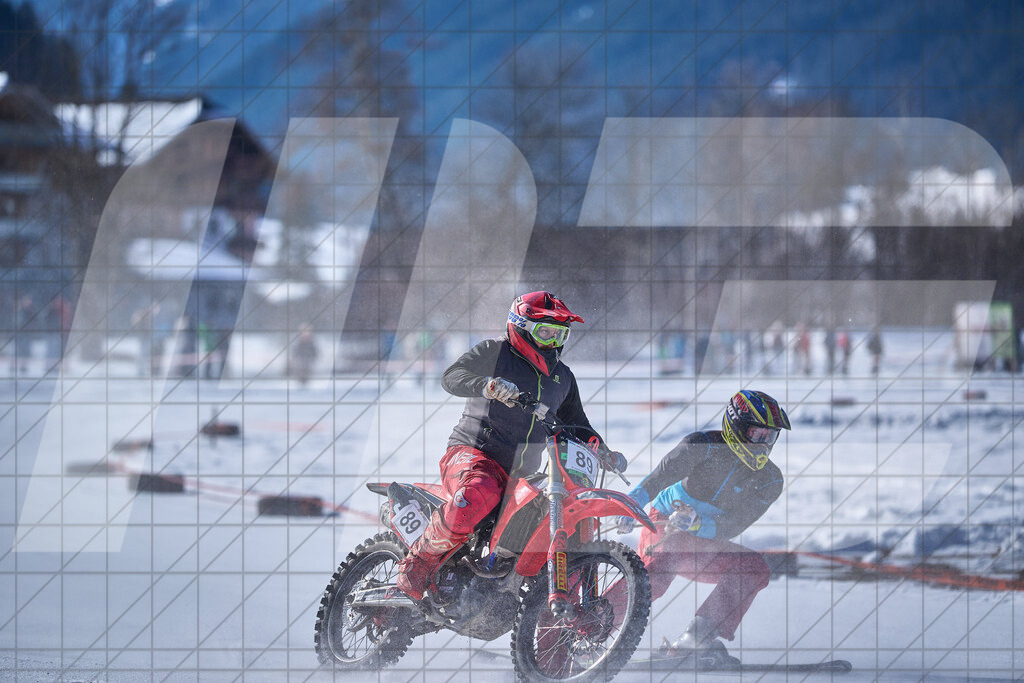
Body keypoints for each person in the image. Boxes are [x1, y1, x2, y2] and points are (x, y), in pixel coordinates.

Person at [395, 291, 626, 601]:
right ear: (521, 327)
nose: (552, 342)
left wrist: (603, 451)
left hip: (523, 477)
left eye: (560, 334)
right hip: (473, 455)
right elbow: (451, 377)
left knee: (550, 518)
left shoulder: (563, 378)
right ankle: (418, 562)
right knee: (478, 492)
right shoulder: (496, 353)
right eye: (545, 332)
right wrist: (486, 385)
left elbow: (579, 426)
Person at [614, 390, 790, 666]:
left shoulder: (771, 480)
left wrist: (699, 524)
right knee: (662, 570)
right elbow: (659, 478)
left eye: (769, 437)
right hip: (663, 521)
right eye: (757, 434)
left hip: (703, 536)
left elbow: (735, 524)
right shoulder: (701, 445)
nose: (763, 443)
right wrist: (631, 505)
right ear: (736, 427)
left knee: (754, 567)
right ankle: (590, 626)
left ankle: (696, 640)